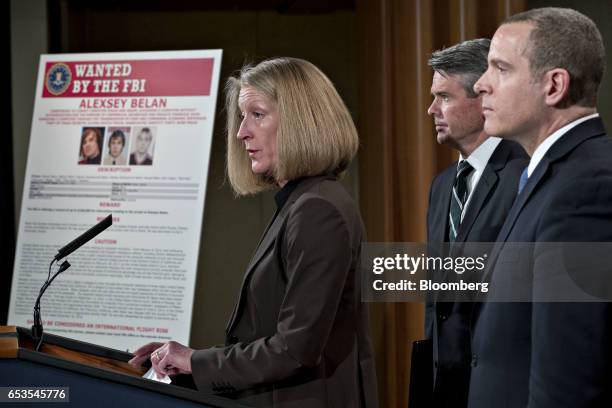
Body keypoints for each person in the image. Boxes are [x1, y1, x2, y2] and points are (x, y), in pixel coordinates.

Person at [129, 57, 378, 407]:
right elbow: (269, 337)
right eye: (243, 116)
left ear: (300, 121)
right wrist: (189, 361)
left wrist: (195, 362)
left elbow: (294, 349)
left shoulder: (317, 210)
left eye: (257, 115)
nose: (241, 131)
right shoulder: (302, 202)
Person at [470, 8, 612, 407]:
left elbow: (569, 377)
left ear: (553, 86)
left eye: (500, 68)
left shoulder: (586, 186)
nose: (481, 85)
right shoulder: (554, 174)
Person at [419, 39, 527, 408]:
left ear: (482, 97)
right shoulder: (441, 185)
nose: (431, 108)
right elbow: (437, 302)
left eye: (444, 97)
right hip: (445, 390)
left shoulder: (523, 175)